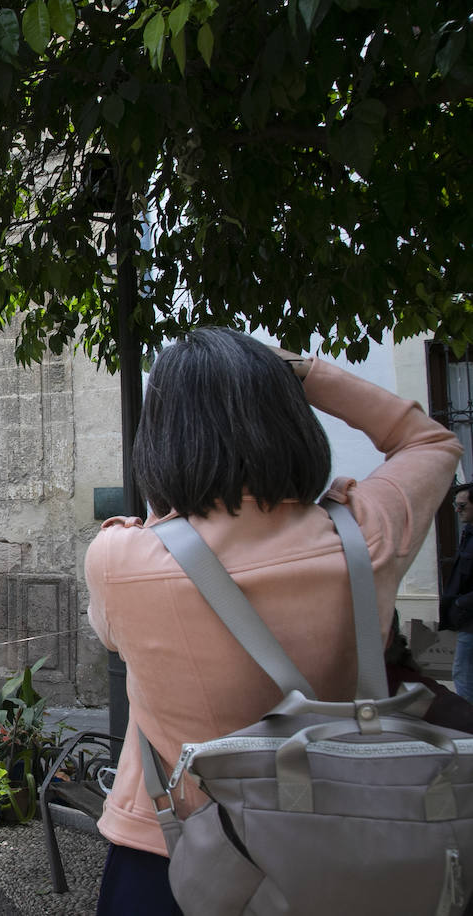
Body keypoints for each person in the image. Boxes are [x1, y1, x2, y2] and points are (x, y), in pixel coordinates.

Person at [86, 329, 461, 914]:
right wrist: (308, 372)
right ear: (291, 419)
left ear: (159, 438)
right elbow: (430, 441)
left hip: (172, 846)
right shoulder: (367, 532)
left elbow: (112, 636)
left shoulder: (121, 560)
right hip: (339, 844)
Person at [441, 483, 473, 697]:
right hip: (466, 618)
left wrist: (462, 604)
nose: (457, 510)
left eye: (462, 506)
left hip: (470, 618)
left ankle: (466, 726)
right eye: (456, 505)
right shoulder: (467, 534)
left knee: (463, 675)